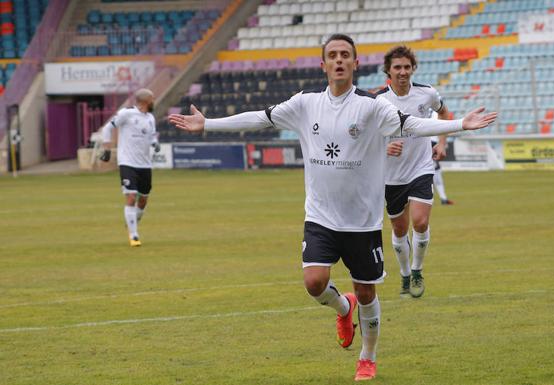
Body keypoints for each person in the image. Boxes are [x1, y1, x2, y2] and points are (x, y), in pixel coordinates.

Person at [169, 34, 496, 381]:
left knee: (367, 291)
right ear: (323, 64)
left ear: (355, 64)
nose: (339, 60)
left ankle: (367, 357)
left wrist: (459, 125)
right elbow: (261, 118)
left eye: (345, 55)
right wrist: (209, 124)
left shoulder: (372, 107)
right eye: (332, 55)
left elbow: (413, 125)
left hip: (363, 221)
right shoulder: (304, 103)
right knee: (314, 282)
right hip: (321, 216)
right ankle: (343, 306)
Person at [378, 46, 453, 299]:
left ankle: (418, 269)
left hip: (421, 168)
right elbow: (366, 137)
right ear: (388, 70)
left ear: (413, 69)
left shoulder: (427, 93)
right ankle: (405, 273)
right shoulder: (378, 101)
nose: (402, 72)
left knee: (420, 222)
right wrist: (385, 146)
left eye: (407, 67)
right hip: (391, 176)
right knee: (400, 229)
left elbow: (443, 113)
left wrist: (441, 143)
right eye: (397, 67)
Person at [100, 88, 160, 247]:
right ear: (146, 101)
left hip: (145, 164)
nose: (154, 102)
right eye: (153, 99)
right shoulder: (126, 114)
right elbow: (108, 127)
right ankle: (134, 235)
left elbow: (152, 135)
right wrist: (106, 148)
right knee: (131, 196)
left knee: (143, 200)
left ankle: (133, 221)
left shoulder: (150, 118)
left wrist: (155, 143)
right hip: (127, 162)